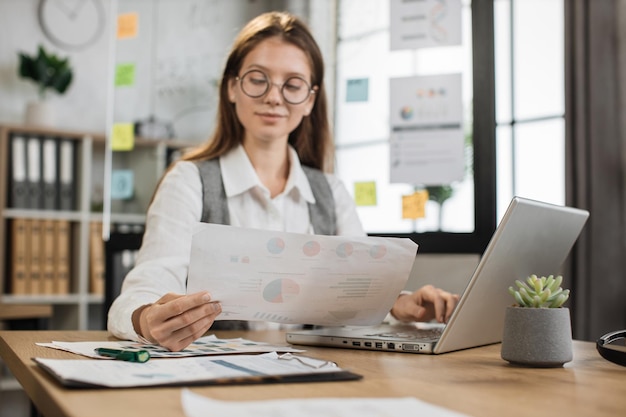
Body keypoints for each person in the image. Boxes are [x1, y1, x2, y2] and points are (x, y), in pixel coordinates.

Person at [107, 11, 459, 352]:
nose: (274, 97)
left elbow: (359, 294)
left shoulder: (331, 193)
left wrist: (400, 305)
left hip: (312, 376)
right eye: (258, 79)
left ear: (309, 100)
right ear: (232, 87)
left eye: (292, 85)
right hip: (216, 377)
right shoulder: (189, 180)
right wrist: (147, 317)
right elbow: (142, 291)